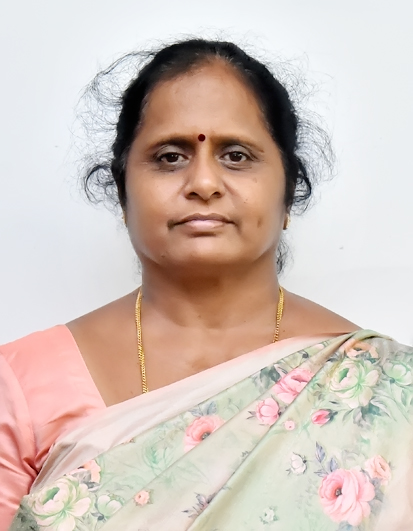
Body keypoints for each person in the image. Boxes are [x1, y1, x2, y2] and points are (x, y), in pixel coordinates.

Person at [2, 39, 412, 530]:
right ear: (123, 193)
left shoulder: (387, 388)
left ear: (287, 194)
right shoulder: (20, 385)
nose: (203, 182)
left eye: (236, 156)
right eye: (169, 157)